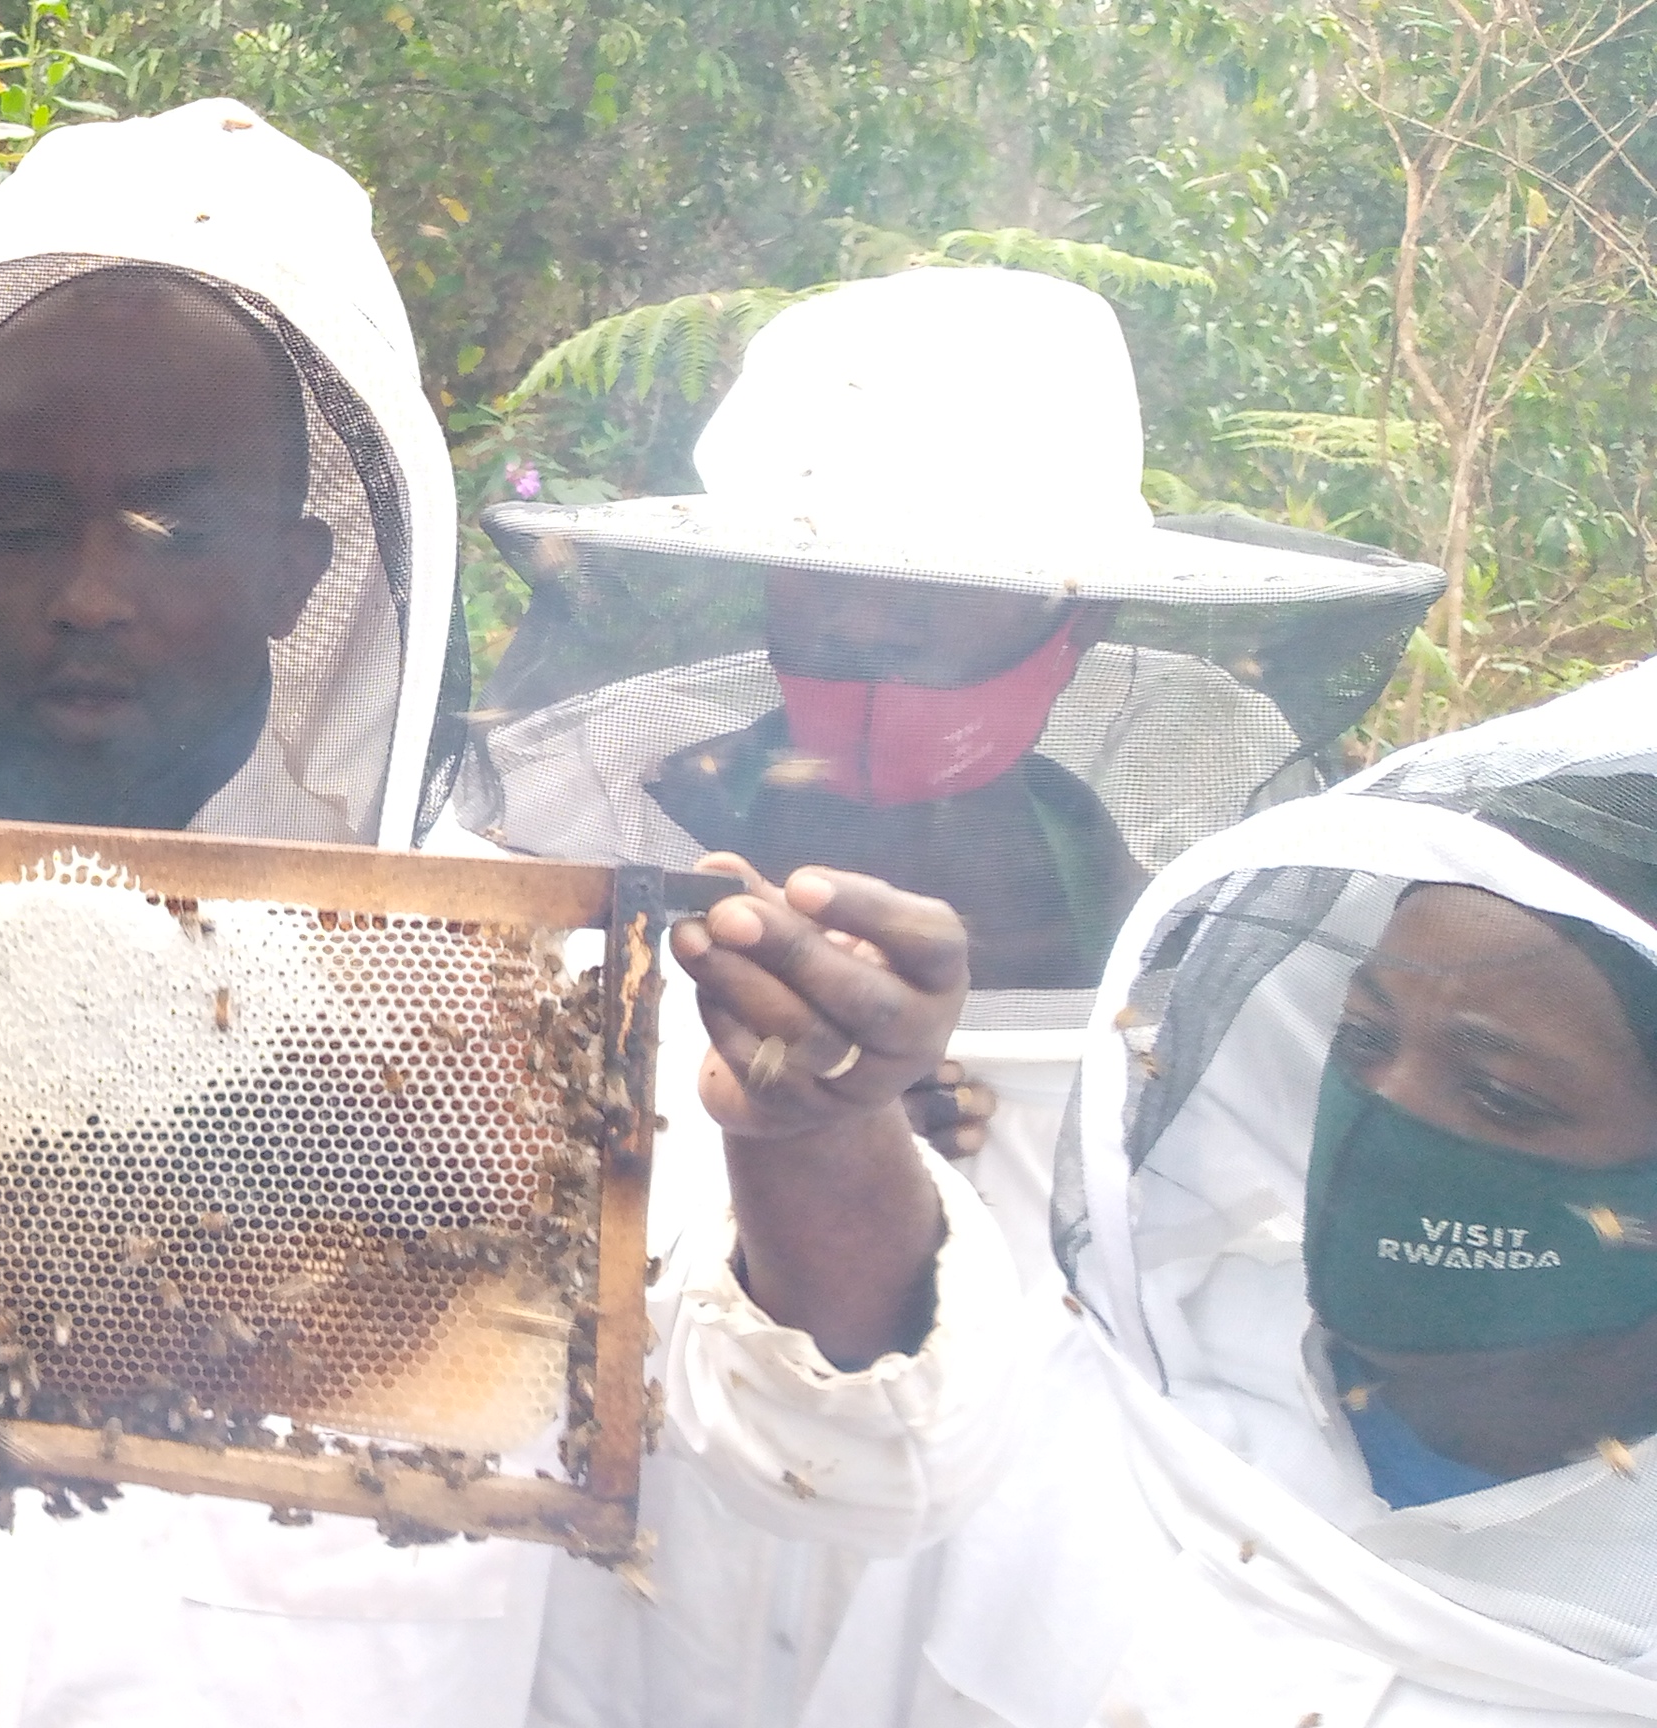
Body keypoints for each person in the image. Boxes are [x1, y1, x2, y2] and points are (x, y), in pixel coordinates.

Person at [0, 98, 1032, 1727]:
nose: (89, 590)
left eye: (173, 525)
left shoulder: (525, 1004)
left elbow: (864, 1457)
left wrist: (821, 1139)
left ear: (304, 573)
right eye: (23, 521)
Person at [635, 669, 1657, 1725]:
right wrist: (820, 1129)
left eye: (1501, 1095)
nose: (1385, 1115)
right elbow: (842, 1456)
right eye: (1364, 1040)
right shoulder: (1142, 1359)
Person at [456, 267, 1445, 1289]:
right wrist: (823, 1154)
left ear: (1081, 615)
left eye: (940, 581)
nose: (866, 622)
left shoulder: (1123, 877)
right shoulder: (607, 798)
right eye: (827, 569)